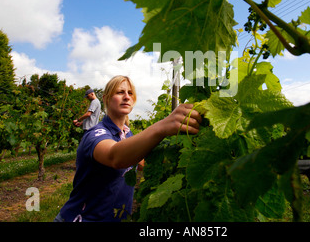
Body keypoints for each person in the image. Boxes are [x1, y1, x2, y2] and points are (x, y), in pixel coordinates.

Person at [55, 75, 201, 222]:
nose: (126, 97)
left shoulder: (127, 133)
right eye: (120, 92)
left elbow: (141, 163)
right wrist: (162, 126)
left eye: (130, 93)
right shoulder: (95, 134)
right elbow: (115, 157)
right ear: (106, 98)